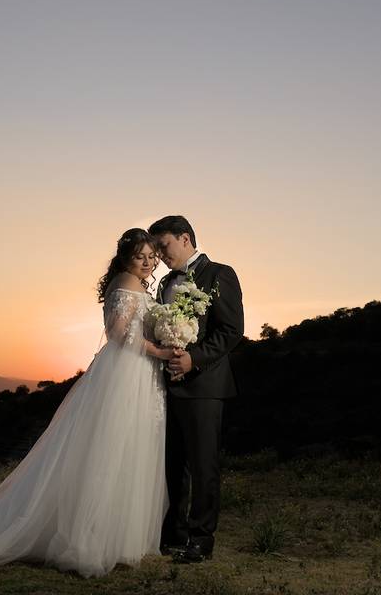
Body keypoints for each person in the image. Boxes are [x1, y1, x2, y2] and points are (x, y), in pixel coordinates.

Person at [0, 228, 175, 578]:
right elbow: (120, 333)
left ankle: (121, 536)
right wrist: (158, 350)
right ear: (126, 258)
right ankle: (93, 537)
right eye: (141, 256)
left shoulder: (135, 283)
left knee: (128, 449)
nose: (148, 262)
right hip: (127, 373)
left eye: (151, 256)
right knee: (113, 448)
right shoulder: (127, 282)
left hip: (138, 373)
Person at [148, 215, 244, 564]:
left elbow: (231, 330)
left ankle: (201, 539)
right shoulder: (163, 284)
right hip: (167, 386)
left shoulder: (220, 274)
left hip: (204, 386)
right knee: (172, 464)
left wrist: (194, 359)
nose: (159, 255)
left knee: (203, 465)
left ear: (185, 238)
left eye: (164, 246)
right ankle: (173, 534)